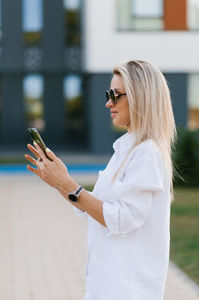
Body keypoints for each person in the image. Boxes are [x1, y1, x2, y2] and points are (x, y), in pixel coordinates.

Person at [25, 60, 177, 300]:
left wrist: (68, 185)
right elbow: (99, 207)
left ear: (141, 97)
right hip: (109, 286)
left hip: (129, 290)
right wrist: (59, 182)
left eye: (115, 95)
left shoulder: (146, 153)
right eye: (109, 94)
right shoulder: (127, 151)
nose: (108, 103)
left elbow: (121, 219)